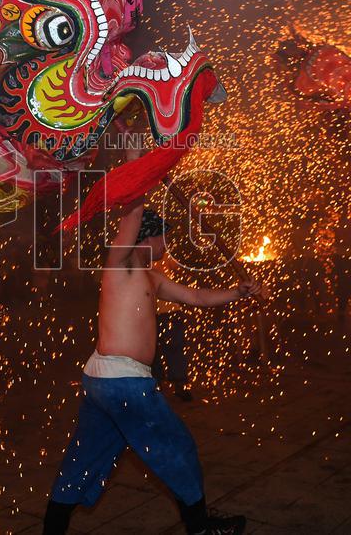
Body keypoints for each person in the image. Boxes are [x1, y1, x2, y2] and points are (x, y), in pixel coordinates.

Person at [43, 162, 261, 534]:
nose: (166, 244)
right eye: (163, 237)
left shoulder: (153, 277)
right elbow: (133, 214)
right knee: (177, 450)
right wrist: (144, 166)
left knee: (83, 461)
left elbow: (196, 297)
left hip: (106, 383)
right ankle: (201, 528)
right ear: (146, 237)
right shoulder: (120, 265)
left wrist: (236, 293)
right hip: (124, 384)